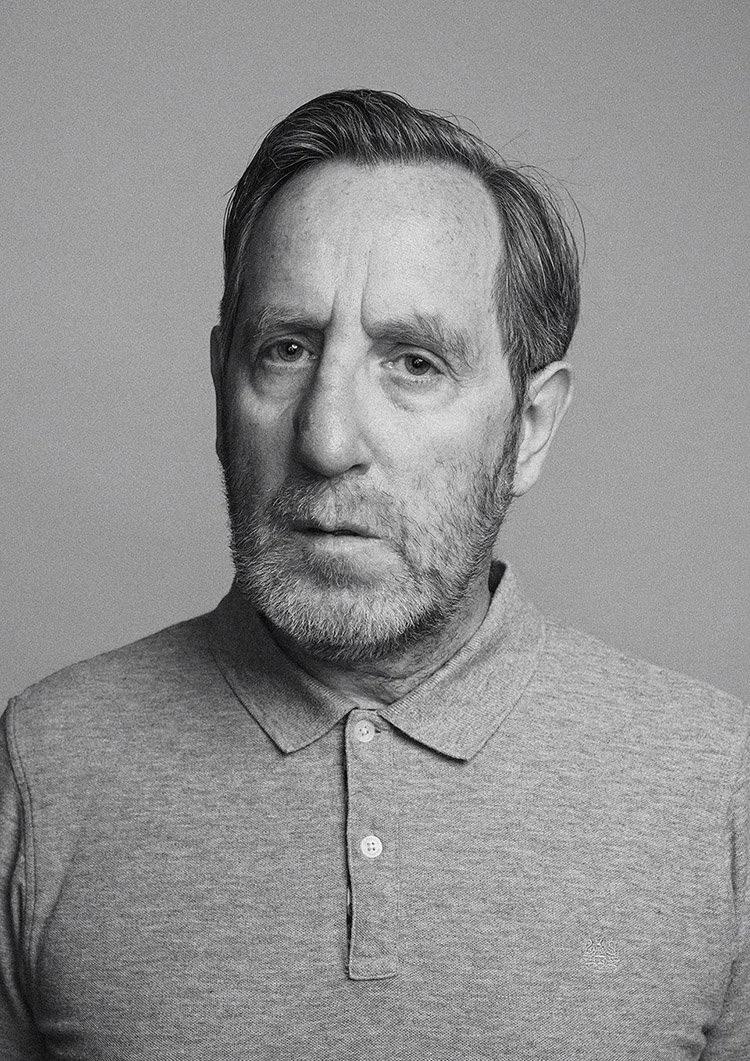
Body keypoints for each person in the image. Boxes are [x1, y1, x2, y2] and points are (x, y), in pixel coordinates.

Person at [1, 89, 747, 1061]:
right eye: (286, 349)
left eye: (414, 362)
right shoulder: (41, 766)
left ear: (529, 429)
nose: (325, 437)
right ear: (222, 386)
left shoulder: (717, 785)